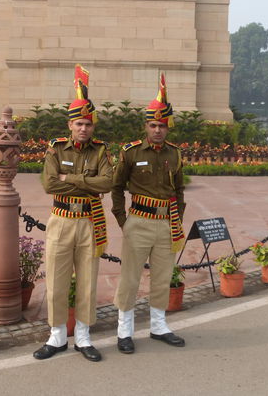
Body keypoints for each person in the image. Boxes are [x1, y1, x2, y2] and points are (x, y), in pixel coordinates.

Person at [33, 65, 113, 363]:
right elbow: (49, 184)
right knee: (56, 278)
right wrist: (87, 185)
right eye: (79, 123)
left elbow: (108, 182)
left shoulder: (101, 151)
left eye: (88, 124)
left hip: (90, 222)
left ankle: (83, 335)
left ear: (93, 127)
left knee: (88, 280)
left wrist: (73, 180)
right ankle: (56, 335)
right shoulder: (56, 149)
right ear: (70, 125)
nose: (83, 128)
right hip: (61, 220)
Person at [111, 73, 186, 355]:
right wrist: (123, 221)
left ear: (168, 128)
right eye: (153, 125)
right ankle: (124, 330)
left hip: (166, 223)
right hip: (138, 222)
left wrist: (177, 217)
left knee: (162, 276)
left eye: (162, 126)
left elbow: (179, 190)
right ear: (146, 126)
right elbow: (117, 188)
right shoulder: (131, 153)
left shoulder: (175, 154)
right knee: (130, 277)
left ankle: (158, 325)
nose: (157, 130)